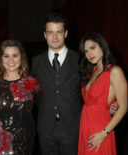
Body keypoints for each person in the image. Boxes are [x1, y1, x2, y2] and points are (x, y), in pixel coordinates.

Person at [31, 12, 82, 155]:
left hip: (72, 128)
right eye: (50, 32)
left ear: (66, 33)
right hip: (46, 128)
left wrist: (110, 104)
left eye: (59, 32)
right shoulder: (36, 61)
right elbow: (33, 93)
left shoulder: (79, 60)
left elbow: (90, 89)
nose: (54, 37)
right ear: (44, 35)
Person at [0, 40, 40, 155]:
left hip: (24, 140)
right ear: (0, 58)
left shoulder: (32, 81)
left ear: (22, 57)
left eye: (15, 55)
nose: (11, 60)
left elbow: (44, 106)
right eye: (6, 56)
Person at [78, 32, 128, 155]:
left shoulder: (115, 71)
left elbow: (124, 107)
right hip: (86, 127)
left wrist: (103, 133)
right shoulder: (93, 70)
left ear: (103, 46)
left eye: (93, 48)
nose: (89, 54)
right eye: (86, 51)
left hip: (100, 129)